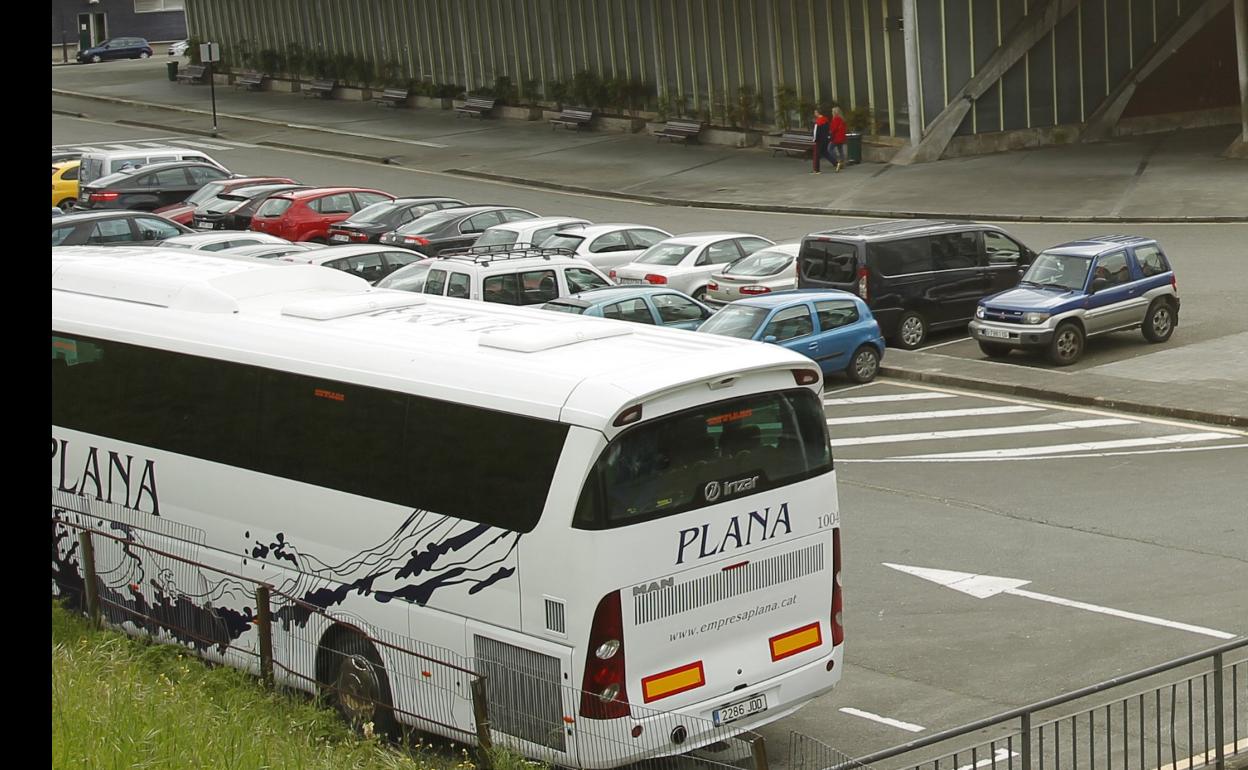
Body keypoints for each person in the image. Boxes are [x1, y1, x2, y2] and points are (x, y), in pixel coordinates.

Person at [811, 108, 832, 174]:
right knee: (824, 152)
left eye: (815, 112)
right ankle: (836, 163)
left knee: (817, 155)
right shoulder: (826, 120)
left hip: (819, 140)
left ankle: (817, 170)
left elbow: (815, 132)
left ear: (817, 113)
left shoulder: (818, 122)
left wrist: (814, 139)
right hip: (825, 139)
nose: (814, 114)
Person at [829, 107, 848, 171]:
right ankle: (842, 163)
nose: (832, 113)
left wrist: (830, 132)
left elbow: (833, 129)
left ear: (835, 112)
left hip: (836, 137)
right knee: (840, 150)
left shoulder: (836, 119)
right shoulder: (842, 119)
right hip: (841, 137)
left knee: (829, 149)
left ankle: (838, 161)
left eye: (832, 112)